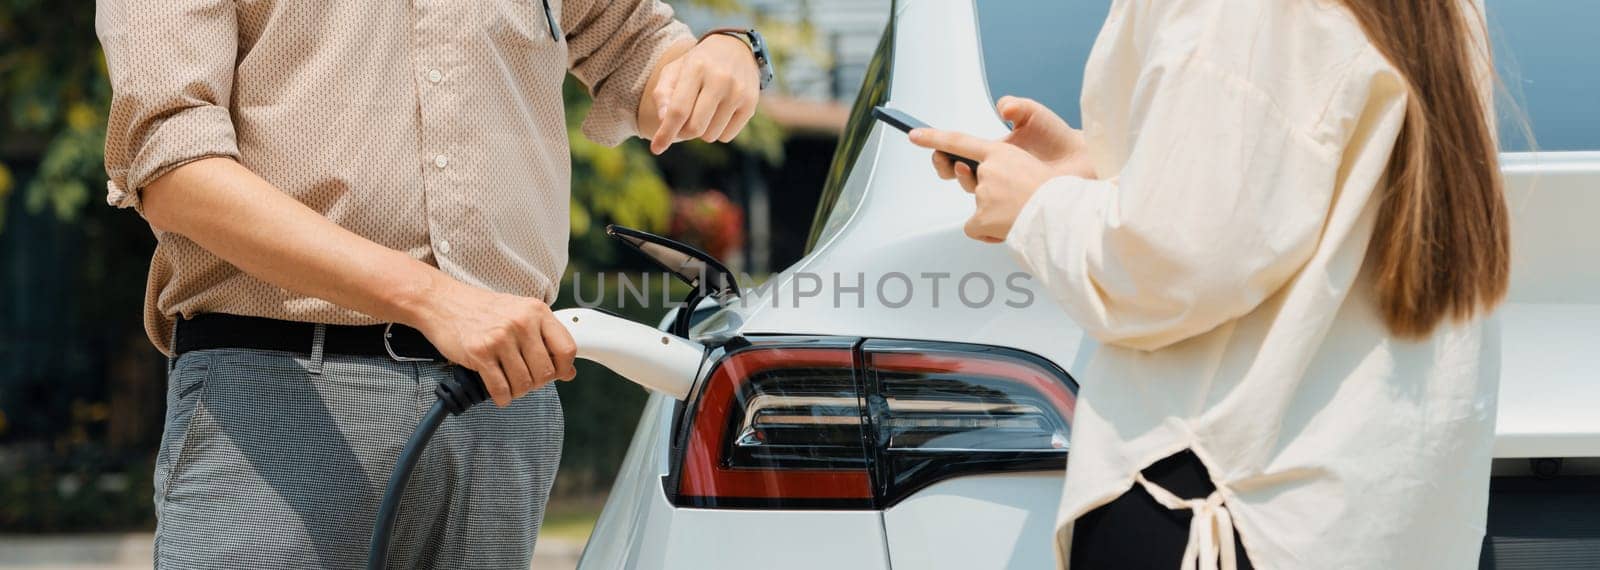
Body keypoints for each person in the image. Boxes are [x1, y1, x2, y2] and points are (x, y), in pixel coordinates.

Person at [96, 0, 770, 567]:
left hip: (504, 407)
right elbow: (171, 165)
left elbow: (646, 56)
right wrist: (431, 299)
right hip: (282, 393)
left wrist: (728, 53)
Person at [910, 0, 1507, 568]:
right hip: (1365, 508)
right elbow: (1308, 172)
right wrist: (1098, 168)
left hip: (1218, 508)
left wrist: (1038, 205)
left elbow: (1171, 268)